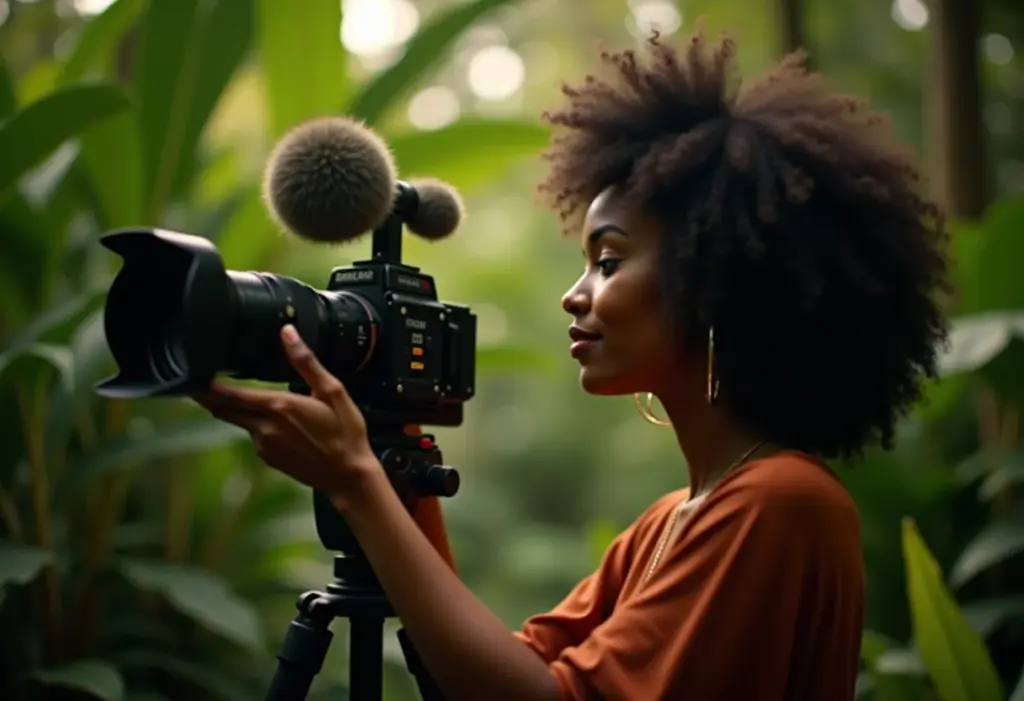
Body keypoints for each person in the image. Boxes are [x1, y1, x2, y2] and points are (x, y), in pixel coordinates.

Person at [193, 26, 951, 701]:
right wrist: (394, 467)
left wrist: (357, 482)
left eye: (609, 261)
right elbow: (494, 672)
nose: (574, 295)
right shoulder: (672, 520)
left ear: (719, 285)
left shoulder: (779, 503)